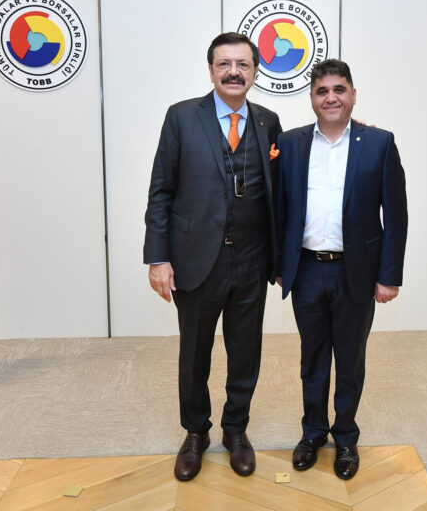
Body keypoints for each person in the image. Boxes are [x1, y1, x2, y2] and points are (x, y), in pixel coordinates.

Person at [143, 32, 281, 481]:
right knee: (194, 354)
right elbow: (161, 191)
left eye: (242, 64)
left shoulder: (269, 122)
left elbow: (286, 184)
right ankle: (196, 432)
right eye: (224, 64)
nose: (233, 72)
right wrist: (158, 257)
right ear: (211, 70)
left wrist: (355, 133)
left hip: (253, 260)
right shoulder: (182, 117)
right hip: (195, 259)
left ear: (255, 72)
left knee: (245, 352)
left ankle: (236, 430)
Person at [275, 59, 407, 480]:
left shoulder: (379, 143)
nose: (330, 97)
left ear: (352, 95)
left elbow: (396, 215)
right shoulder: (290, 143)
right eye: (322, 91)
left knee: (349, 361)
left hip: (357, 272)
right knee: (312, 359)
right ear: (311, 98)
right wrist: (280, 264)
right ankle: (313, 433)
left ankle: (346, 437)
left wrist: (389, 276)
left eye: (338, 89)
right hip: (307, 271)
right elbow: (278, 209)